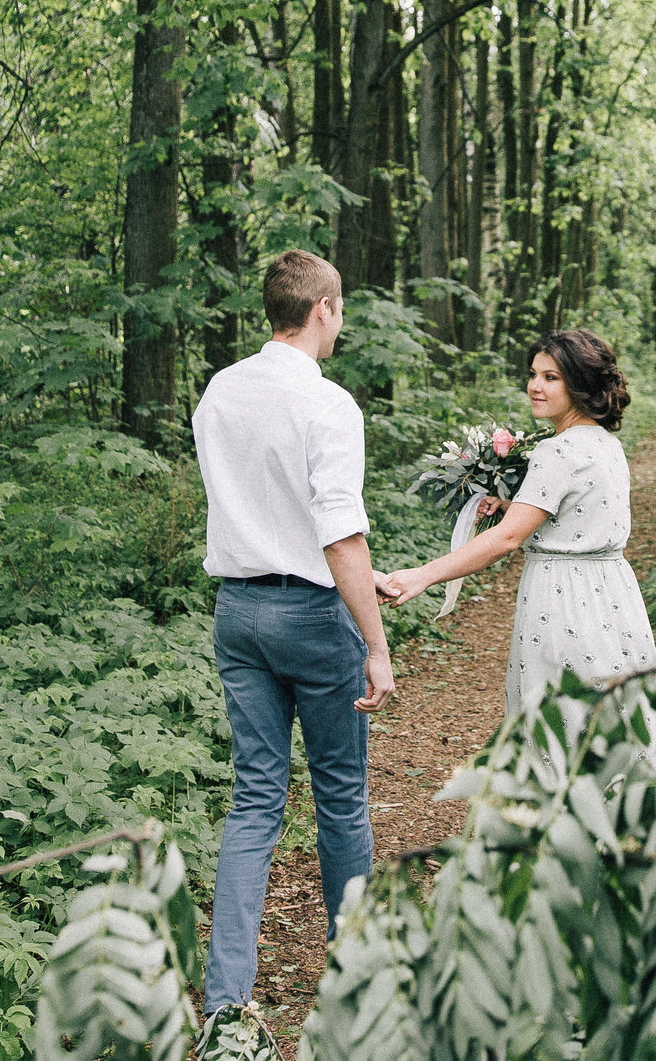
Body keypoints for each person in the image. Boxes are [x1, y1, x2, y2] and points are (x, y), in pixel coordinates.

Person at [193, 250, 396, 1045]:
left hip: (237, 609)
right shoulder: (328, 404)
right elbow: (341, 535)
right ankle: (356, 980)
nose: (340, 322)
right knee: (342, 794)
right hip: (312, 614)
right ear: (322, 309)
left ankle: (225, 1007)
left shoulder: (220, 391)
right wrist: (375, 644)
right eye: (339, 309)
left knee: (254, 797)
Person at [378, 328, 656, 713]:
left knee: (556, 717)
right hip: (613, 595)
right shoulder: (607, 444)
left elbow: (508, 539)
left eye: (550, 377)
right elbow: (579, 515)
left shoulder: (556, 451)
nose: (534, 387)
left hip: (563, 599)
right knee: (612, 713)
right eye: (533, 374)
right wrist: (512, 504)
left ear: (580, 384)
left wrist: (422, 575)